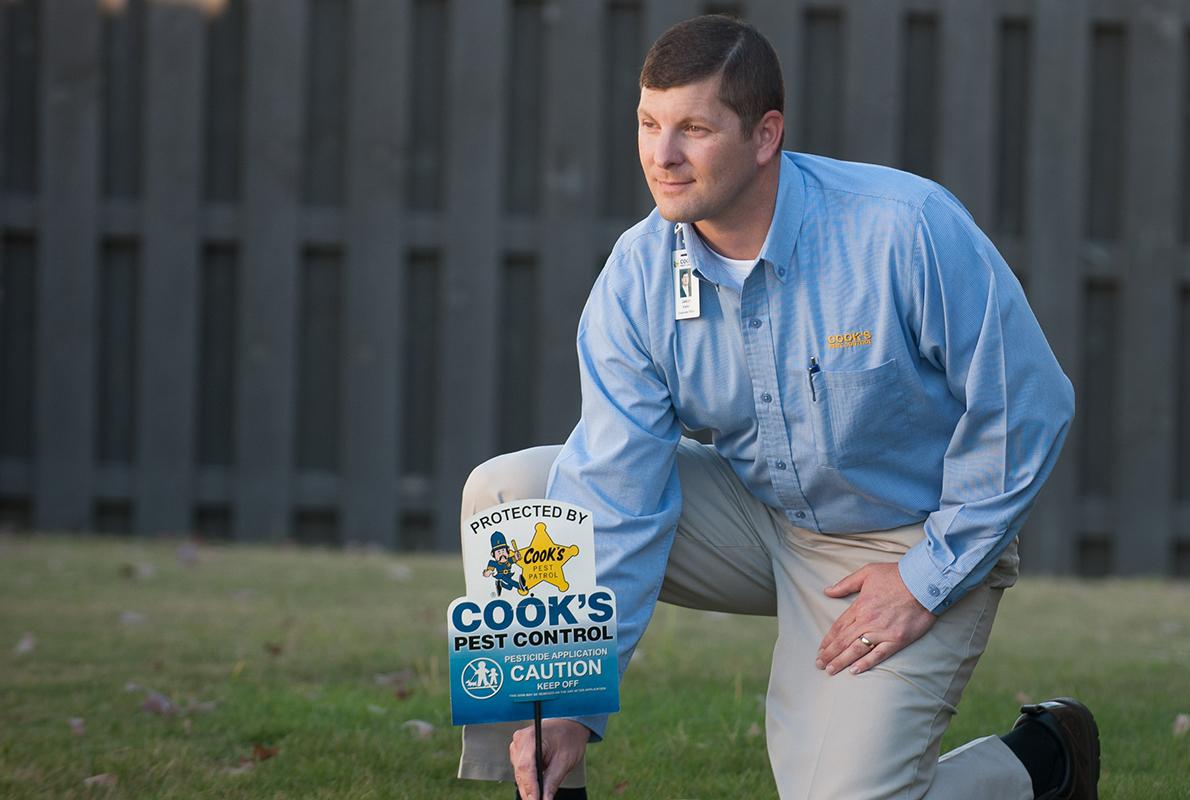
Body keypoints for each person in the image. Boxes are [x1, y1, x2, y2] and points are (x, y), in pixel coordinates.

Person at [457, 15, 1096, 800]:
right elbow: (613, 491)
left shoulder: (903, 229)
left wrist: (928, 577)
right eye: (649, 125)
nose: (662, 157)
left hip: (908, 541)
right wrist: (568, 698)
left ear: (765, 135)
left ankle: (1043, 763)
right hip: (759, 516)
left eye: (693, 128)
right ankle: (549, 771)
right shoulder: (638, 275)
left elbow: (1027, 405)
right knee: (514, 498)